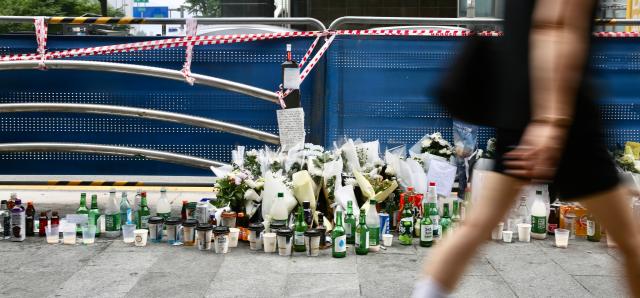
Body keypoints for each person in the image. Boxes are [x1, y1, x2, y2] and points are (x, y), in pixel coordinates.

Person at [413, 0, 640, 297]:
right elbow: (556, 25)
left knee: (475, 227)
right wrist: (550, 121)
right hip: (567, 118)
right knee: (629, 240)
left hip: (518, 113)